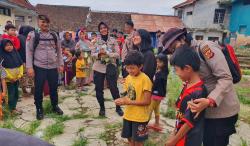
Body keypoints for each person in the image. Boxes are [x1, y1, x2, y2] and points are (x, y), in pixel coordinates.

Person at [161, 27, 240, 146]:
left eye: (174, 47)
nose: (174, 52)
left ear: (182, 39)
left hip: (221, 112)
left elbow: (225, 77)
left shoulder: (205, 48)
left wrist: (209, 100)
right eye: (171, 51)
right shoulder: (186, 55)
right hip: (204, 110)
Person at [165, 45, 208, 146]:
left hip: (188, 139)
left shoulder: (198, 92)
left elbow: (188, 123)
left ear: (187, 68)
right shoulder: (187, 84)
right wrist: (174, 131)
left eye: (176, 70)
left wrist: (173, 141)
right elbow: (180, 110)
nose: (176, 73)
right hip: (179, 135)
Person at [26, 15, 64, 120]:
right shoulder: (33, 35)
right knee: (38, 89)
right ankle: (39, 109)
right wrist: (29, 67)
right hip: (39, 66)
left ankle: (55, 106)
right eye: (43, 22)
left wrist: (60, 64)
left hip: (53, 66)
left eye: (47, 22)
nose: (45, 24)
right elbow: (28, 52)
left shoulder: (54, 35)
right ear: (38, 23)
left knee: (54, 88)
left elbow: (59, 51)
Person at [115, 51, 152, 146]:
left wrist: (129, 102)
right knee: (129, 138)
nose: (130, 70)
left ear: (140, 66)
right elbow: (128, 94)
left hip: (140, 117)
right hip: (128, 115)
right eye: (127, 68)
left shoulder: (145, 79)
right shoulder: (128, 78)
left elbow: (147, 101)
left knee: (139, 141)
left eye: (132, 68)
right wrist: (122, 99)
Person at [91, 22, 123, 117]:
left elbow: (118, 54)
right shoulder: (95, 41)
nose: (103, 29)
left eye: (104, 28)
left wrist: (108, 54)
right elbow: (92, 54)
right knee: (99, 89)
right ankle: (102, 108)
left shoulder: (113, 40)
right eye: (101, 28)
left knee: (114, 88)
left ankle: (118, 107)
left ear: (107, 29)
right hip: (98, 67)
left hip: (110, 66)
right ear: (99, 30)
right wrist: (98, 54)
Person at [0, 39, 23, 115]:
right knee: (10, 95)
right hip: (8, 81)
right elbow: (2, 69)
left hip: (16, 79)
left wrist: (19, 76)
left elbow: (21, 65)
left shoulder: (16, 54)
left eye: (10, 45)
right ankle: (10, 110)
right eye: (6, 45)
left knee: (16, 93)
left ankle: (14, 107)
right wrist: (10, 77)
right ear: (3, 47)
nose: (9, 47)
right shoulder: (2, 56)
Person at [148, 53, 168, 131]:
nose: (157, 63)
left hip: (156, 94)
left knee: (150, 109)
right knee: (156, 109)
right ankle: (157, 123)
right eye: (157, 61)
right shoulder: (161, 71)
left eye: (160, 62)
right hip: (160, 95)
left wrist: (151, 90)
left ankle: (144, 125)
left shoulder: (161, 74)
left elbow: (156, 84)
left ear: (164, 63)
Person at [18, 25, 35, 96]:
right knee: (30, 76)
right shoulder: (26, 37)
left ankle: (25, 91)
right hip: (28, 60)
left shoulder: (19, 37)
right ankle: (32, 91)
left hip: (23, 60)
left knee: (24, 76)